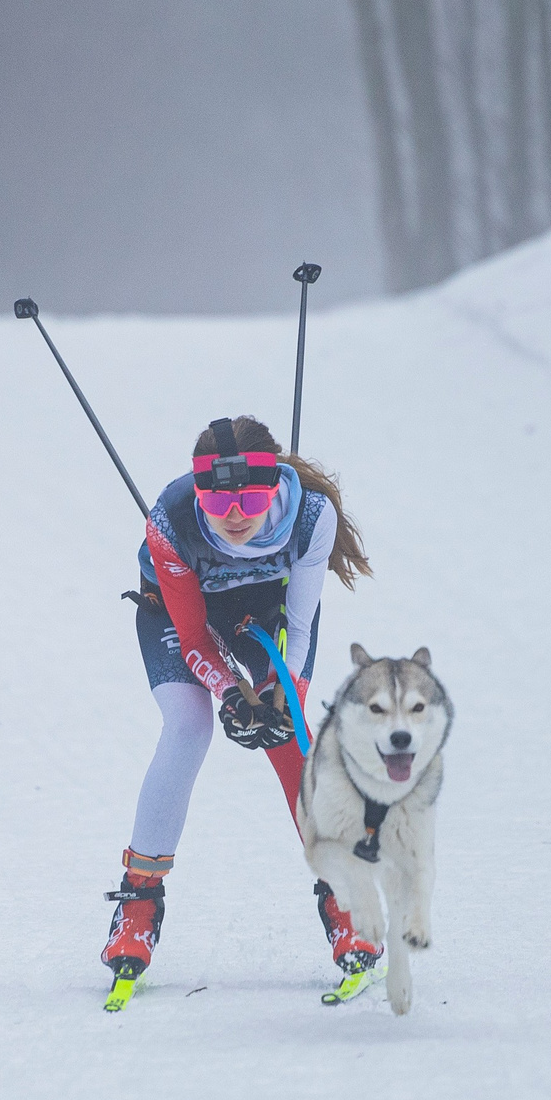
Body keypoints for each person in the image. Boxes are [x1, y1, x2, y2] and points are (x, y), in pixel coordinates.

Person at [102, 415, 373, 987]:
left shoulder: (311, 516)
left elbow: (300, 628)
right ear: (197, 490)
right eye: (216, 499)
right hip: (177, 613)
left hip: (266, 612)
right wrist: (230, 694)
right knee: (188, 727)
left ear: (274, 483)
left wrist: (279, 696)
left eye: (250, 498)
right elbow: (194, 638)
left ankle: (345, 899)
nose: (234, 515)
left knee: (286, 730)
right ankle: (138, 902)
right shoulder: (171, 522)